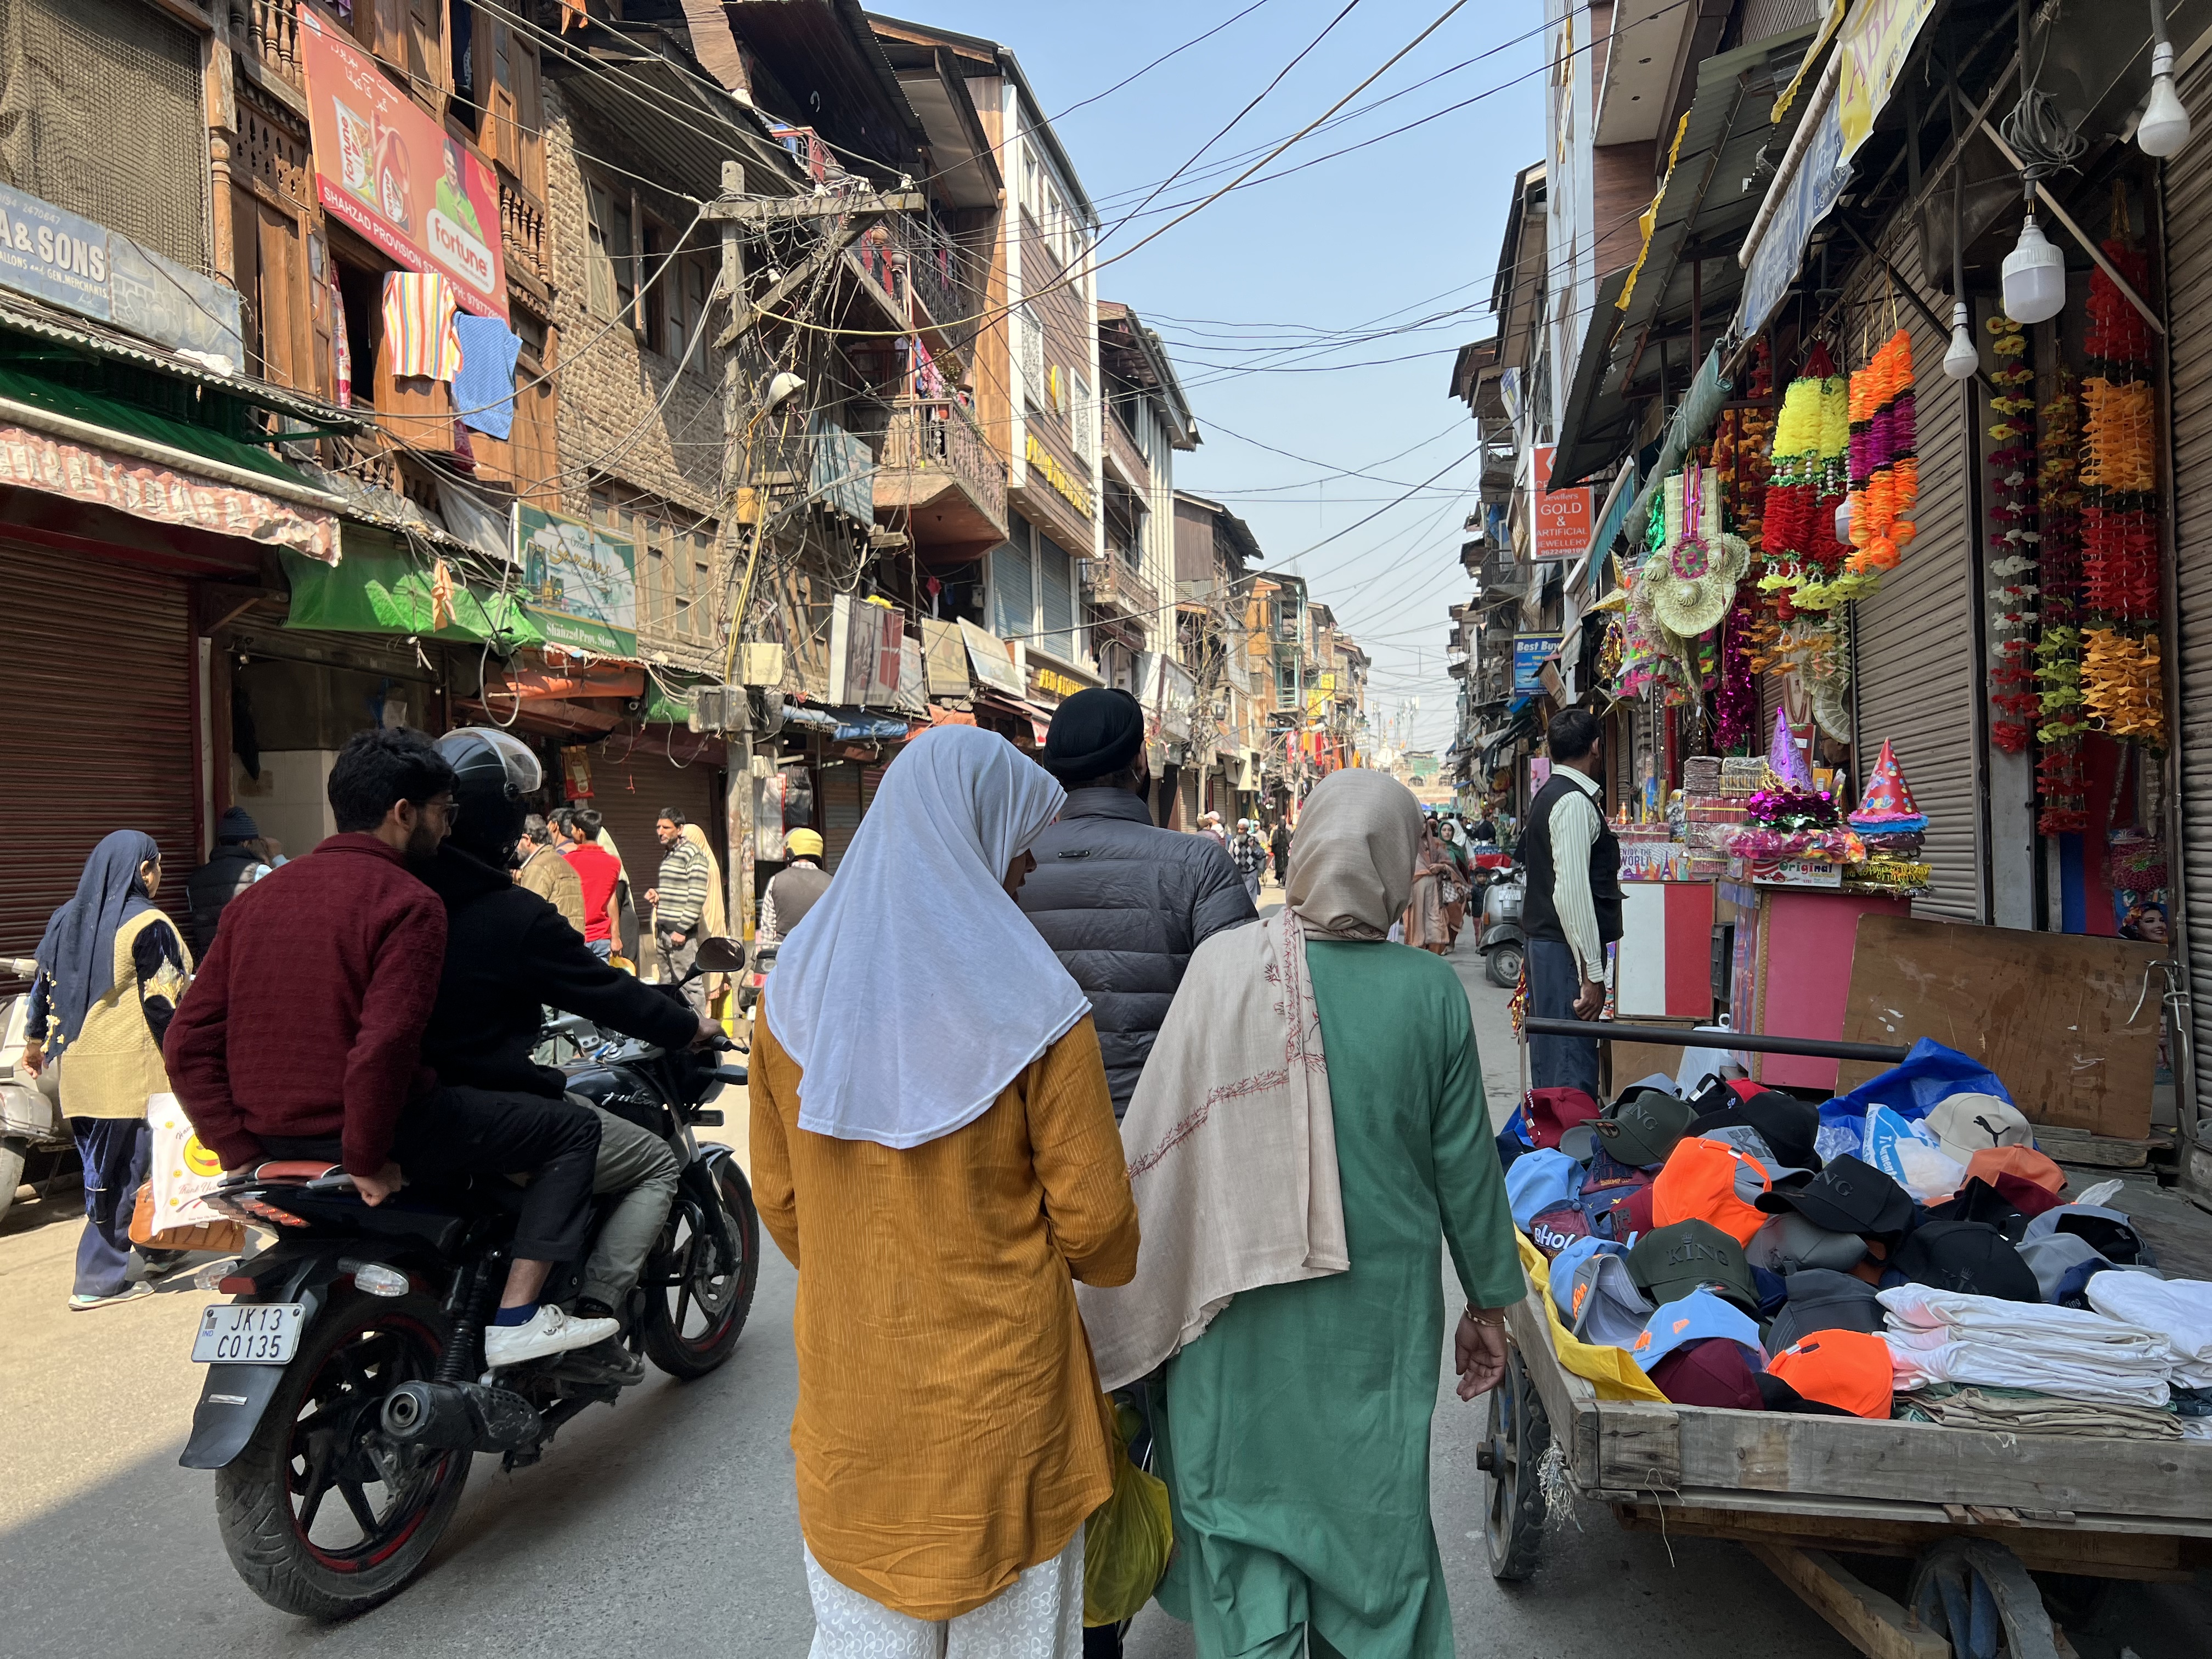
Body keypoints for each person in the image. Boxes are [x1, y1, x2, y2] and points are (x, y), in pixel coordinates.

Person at [1077, 768, 1522, 1659]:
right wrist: (1487, 1302)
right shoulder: (1429, 991)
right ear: (1399, 864)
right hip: (1375, 1315)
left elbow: (1163, 1141)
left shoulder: (1222, 967)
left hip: (1235, 1308)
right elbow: (1467, 1172)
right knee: (1372, 1519)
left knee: (1244, 1511)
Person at [751, 724, 1139, 1656]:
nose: (1027, 863)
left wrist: (870, 1259)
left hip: (856, 1396)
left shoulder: (788, 1001)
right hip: (1004, 1414)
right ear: (970, 842)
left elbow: (779, 1197)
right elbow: (1099, 1230)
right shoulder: (1040, 1012)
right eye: (1014, 840)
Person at [163, 727, 617, 1369]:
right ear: (403, 814)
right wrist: (366, 1156)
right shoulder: (408, 901)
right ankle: (518, 1316)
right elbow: (384, 1047)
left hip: (271, 1145)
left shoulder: (257, 899)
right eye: (441, 813)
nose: (447, 829)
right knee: (571, 1132)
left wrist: (239, 1149)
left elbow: (186, 1042)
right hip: (379, 1134)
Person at [418, 730, 713, 1380]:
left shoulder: (393, 896)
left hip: (396, 1111)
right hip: (478, 1108)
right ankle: (591, 1317)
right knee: (655, 1163)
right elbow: (601, 988)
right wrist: (684, 1024)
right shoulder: (505, 911)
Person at [1019, 688, 1256, 1116]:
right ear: (1140, 763)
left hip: (1043, 1126)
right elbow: (1244, 1005)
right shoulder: (1199, 862)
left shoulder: (1007, 863)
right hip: (1167, 1124)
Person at [22, 831, 194, 1310]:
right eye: (157, 867)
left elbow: (43, 991)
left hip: (78, 1072)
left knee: (129, 1166)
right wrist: (189, 1063)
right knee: (122, 1173)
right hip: (130, 1076)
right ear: (144, 871)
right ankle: (98, 1280)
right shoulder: (149, 925)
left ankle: (158, 1248)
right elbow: (165, 1005)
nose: (159, 877)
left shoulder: (65, 920)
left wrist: (34, 1046)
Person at [1523, 708, 1622, 1097]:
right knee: (1569, 1068)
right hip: (1564, 950)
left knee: (1555, 1060)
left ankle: (1552, 1151)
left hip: (1552, 947)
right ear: (1597, 747)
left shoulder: (1552, 795)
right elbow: (1572, 893)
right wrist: (1592, 975)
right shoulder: (1573, 802)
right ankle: (1566, 1154)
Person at [182, 806, 280, 957]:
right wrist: (276, 857)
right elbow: (286, 903)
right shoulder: (259, 872)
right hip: (247, 962)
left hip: (210, 964)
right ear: (246, 843)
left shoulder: (196, 879)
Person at [645, 809, 712, 1015]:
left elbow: (697, 895)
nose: (660, 832)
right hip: (664, 932)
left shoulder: (693, 854)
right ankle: (673, 1030)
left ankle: (700, 1034)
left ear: (680, 829)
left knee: (689, 986)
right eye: (658, 827)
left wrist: (682, 929)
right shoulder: (669, 854)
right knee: (667, 985)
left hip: (680, 935)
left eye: (666, 827)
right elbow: (678, 889)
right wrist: (658, 894)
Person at [555, 807, 625, 962]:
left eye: (573, 829)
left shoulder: (567, 861)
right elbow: (612, 901)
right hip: (602, 939)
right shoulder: (613, 863)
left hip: (575, 936)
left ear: (581, 832)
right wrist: (616, 937)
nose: (571, 832)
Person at [757, 827, 830, 956]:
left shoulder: (776, 881)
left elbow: (768, 928)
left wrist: (766, 954)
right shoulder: (831, 883)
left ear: (790, 852)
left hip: (784, 956)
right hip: (820, 957)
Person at [515, 813, 588, 935]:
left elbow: (529, 915)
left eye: (517, 841)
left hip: (552, 946)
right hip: (574, 942)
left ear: (527, 840)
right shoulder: (563, 863)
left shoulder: (537, 867)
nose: (516, 848)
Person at [1402, 818, 1455, 956]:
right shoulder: (1409, 845)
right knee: (1417, 922)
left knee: (1436, 921)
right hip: (1415, 890)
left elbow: (1451, 866)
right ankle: (1418, 954)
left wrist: (1441, 866)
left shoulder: (1438, 844)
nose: (1422, 827)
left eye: (1424, 824)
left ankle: (1434, 955)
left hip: (1434, 890)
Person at [1227, 817, 1267, 904]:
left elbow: (1261, 854)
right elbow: (1230, 857)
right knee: (1241, 894)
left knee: (1249, 894)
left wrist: (1254, 846)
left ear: (1247, 829)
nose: (1240, 831)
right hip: (1239, 874)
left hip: (1251, 872)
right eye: (1239, 829)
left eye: (1242, 829)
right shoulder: (1233, 842)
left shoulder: (1253, 841)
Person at [1269, 815, 1291, 884]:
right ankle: (1280, 880)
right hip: (1279, 853)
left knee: (1285, 867)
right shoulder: (1276, 832)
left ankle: (1284, 881)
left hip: (1285, 852)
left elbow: (1289, 841)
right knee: (1279, 867)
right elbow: (1274, 842)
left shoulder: (1287, 832)